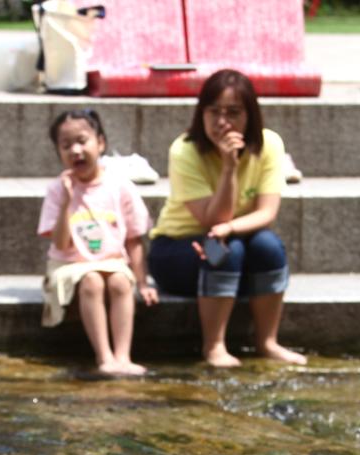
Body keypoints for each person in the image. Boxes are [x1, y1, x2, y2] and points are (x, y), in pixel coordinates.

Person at [148, 69, 306, 369]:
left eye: (233, 113)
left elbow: (267, 213)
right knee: (227, 249)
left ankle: (267, 342)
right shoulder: (185, 151)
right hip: (177, 250)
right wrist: (229, 168)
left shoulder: (270, 144)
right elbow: (211, 219)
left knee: (268, 245)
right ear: (201, 113)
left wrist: (230, 227)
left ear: (250, 116)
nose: (223, 122)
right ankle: (214, 346)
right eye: (214, 112)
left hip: (234, 238)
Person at [38, 108, 158, 376]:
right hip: (68, 264)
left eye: (82, 141)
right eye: (66, 145)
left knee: (117, 281)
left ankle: (123, 356)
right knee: (92, 279)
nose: (76, 150)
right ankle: (104, 357)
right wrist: (67, 203)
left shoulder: (120, 186)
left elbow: (134, 239)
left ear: (100, 143)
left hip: (113, 261)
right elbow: (59, 244)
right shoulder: (58, 190)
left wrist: (142, 282)